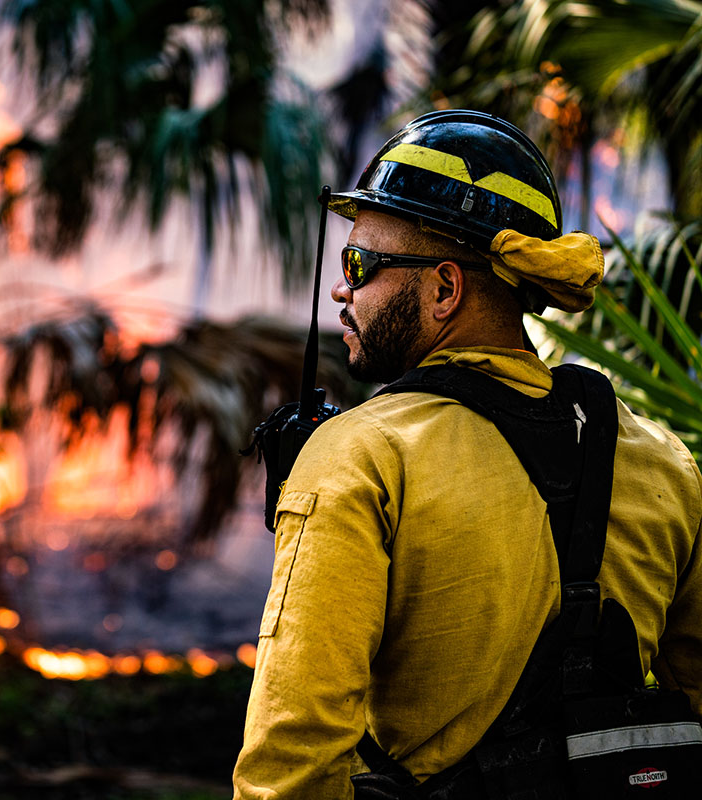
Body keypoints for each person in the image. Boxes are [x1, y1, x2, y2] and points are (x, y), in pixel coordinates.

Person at [231, 109, 702, 798]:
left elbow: (290, 769)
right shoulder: (665, 462)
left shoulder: (362, 456)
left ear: (445, 289)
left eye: (359, 265)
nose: (342, 289)